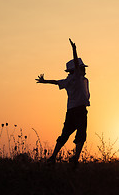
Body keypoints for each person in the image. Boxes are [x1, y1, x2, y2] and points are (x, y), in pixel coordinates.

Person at [36, 38, 90, 168]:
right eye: (82, 67)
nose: (84, 69)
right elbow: (76, 65)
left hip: (71, 111)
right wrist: (74, 49)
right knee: (81, 135)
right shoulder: (77, 77)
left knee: (66, 134)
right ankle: (75, 159)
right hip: (79, 110)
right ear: (76, 69)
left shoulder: (70, 80)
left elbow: (56, 82)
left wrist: (45, 81)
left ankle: (54, 157)